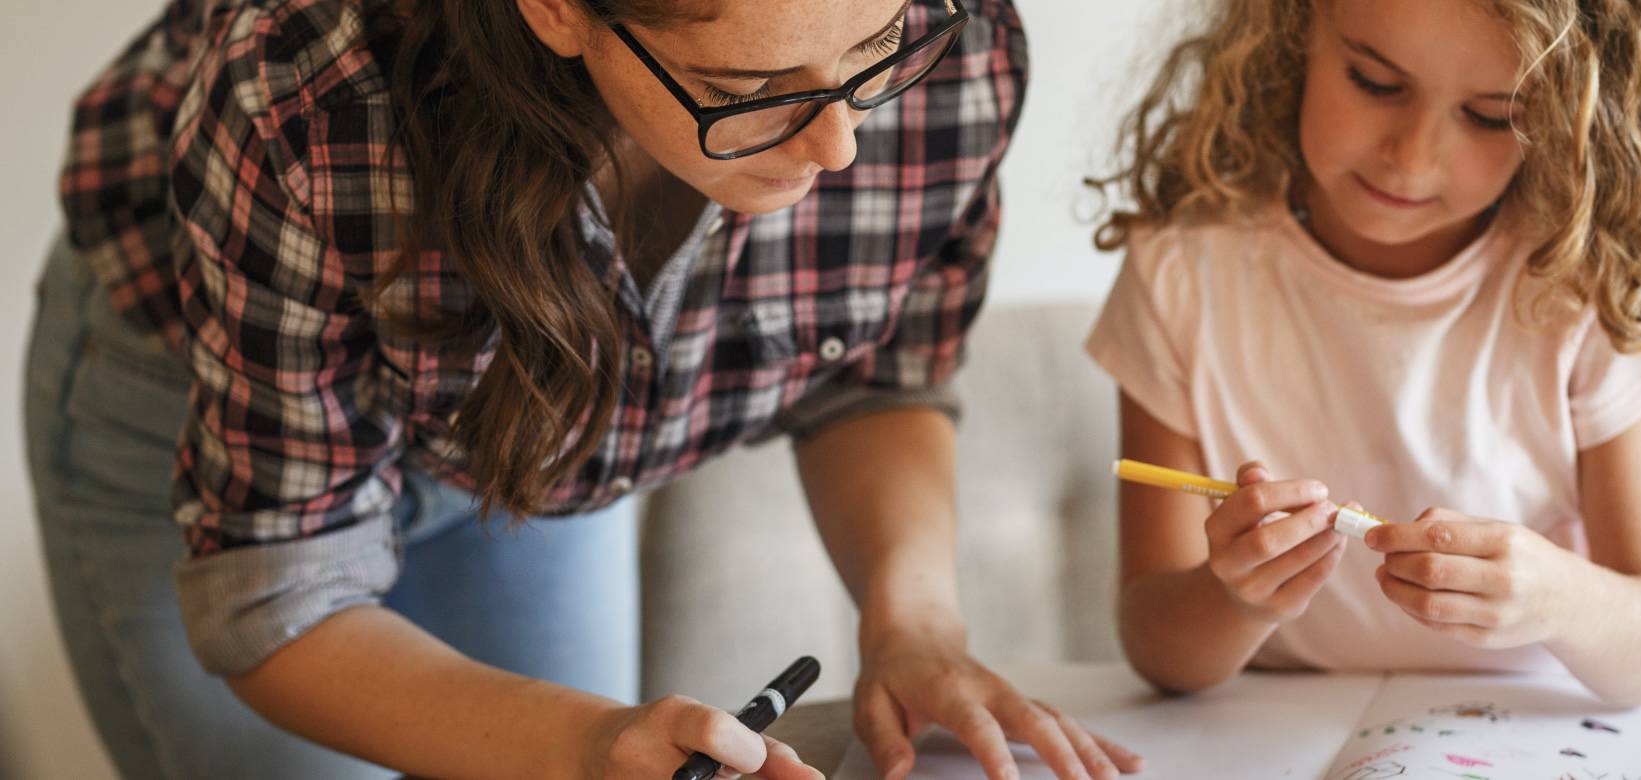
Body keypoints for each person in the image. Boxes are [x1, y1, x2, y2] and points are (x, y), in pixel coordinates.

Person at [27, 0, 1142, 776]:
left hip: (532, 433)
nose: (841, 147)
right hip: (197, 395)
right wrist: (577, 745)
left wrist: (916, 624)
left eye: (873, 44)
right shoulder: (308, 88)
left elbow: (875, 372)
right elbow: (277, 588)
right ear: (558, 10)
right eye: (749, 90)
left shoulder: (967, 46)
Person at [1085, 0, 1641, 706]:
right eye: (1376, 83)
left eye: (1488, 116)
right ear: (1289, 36)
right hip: (1265, 734)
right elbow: (1155, 648)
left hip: (1526, 733)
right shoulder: (1181, 272)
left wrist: (1560, 601)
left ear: (1569, 113)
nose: (1412, 157)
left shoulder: (1593, 284)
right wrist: (1235, 598)